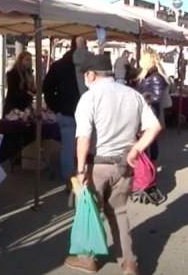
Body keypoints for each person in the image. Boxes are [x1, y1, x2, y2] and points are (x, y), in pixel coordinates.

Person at [64, 54, 161, 275]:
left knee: (88, 210)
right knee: (120, 212)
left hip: (96, 164)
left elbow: (84, 138)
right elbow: (154, 126)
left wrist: (80, 170)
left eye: (86, 75)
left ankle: (87, 259)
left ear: (91, 75)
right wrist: (136, 148)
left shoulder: (89, 98)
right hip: (124, 163)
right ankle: (128, 262)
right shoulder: (132, 95)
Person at [42, 37, 82, 185]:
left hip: (68, 111)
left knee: (70, 147)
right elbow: (47, 88)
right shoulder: (75, 66)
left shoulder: (59, 66)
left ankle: (71, 180)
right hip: (69, 112)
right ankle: (72, 179)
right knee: (72, 147)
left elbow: (47, 87)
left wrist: (55, 106)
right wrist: (56, 107)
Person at [135, 49, 168, 167]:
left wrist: (142, 99)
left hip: (150, 111)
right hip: (146, 110)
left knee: (150, 140)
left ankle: (151, 166)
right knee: (148, 140)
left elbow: (157, 97)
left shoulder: (155, 76)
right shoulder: (147, 74)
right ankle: (147, 165)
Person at [3, 51, 35, 116]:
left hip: (25, 107)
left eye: (30, 60)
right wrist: (27, 93)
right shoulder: (13, 73)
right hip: (13, 107)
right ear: (21, 60)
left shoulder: (29, 74)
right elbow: (13, 91)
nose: (29, 62)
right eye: (27, 59)